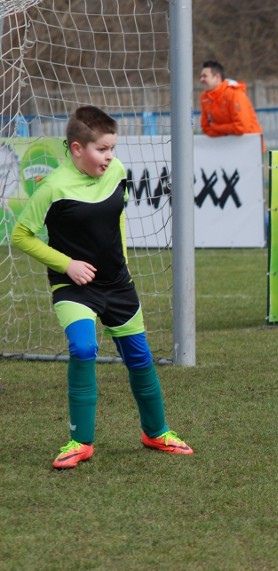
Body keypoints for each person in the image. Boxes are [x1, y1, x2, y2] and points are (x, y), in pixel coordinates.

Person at [11, 106, 193, 469]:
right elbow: (21, 235)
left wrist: (121, 266)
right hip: (73, 286)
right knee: (82, 347)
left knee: (139, 358)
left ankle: (156, 432)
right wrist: (67, 264)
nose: (110, 157)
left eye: (112, 148)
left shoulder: (119, 171)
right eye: (102, 149)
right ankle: (80, 441)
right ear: (77, 148)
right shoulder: (53, 188)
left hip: (117, 285)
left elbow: (116, 222)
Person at [199, 59, 265, 149]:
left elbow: (242, 127)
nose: (201, 79)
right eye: (201, 76)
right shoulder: (204, 98)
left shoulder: (234, 94)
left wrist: (216, 128)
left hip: (250, 145)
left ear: (217, 77)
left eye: (205, 76)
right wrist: (226, 132)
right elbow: (205, 128)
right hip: (226, 146)